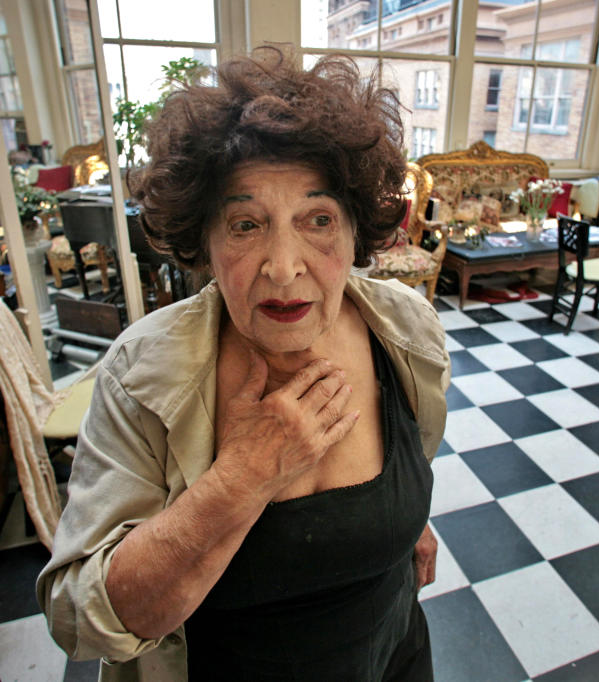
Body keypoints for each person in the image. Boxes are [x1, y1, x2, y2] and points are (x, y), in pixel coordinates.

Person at [37, 50, 450, 681]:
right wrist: (244, 476)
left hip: (396, 657)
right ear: (204, 240)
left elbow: (413, 452)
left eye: (318, 219)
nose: (283, 266)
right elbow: (79, 618)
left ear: (353, 233)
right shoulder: (141, 375)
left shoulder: (405, 331)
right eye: (246, 224)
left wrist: (402, 525)